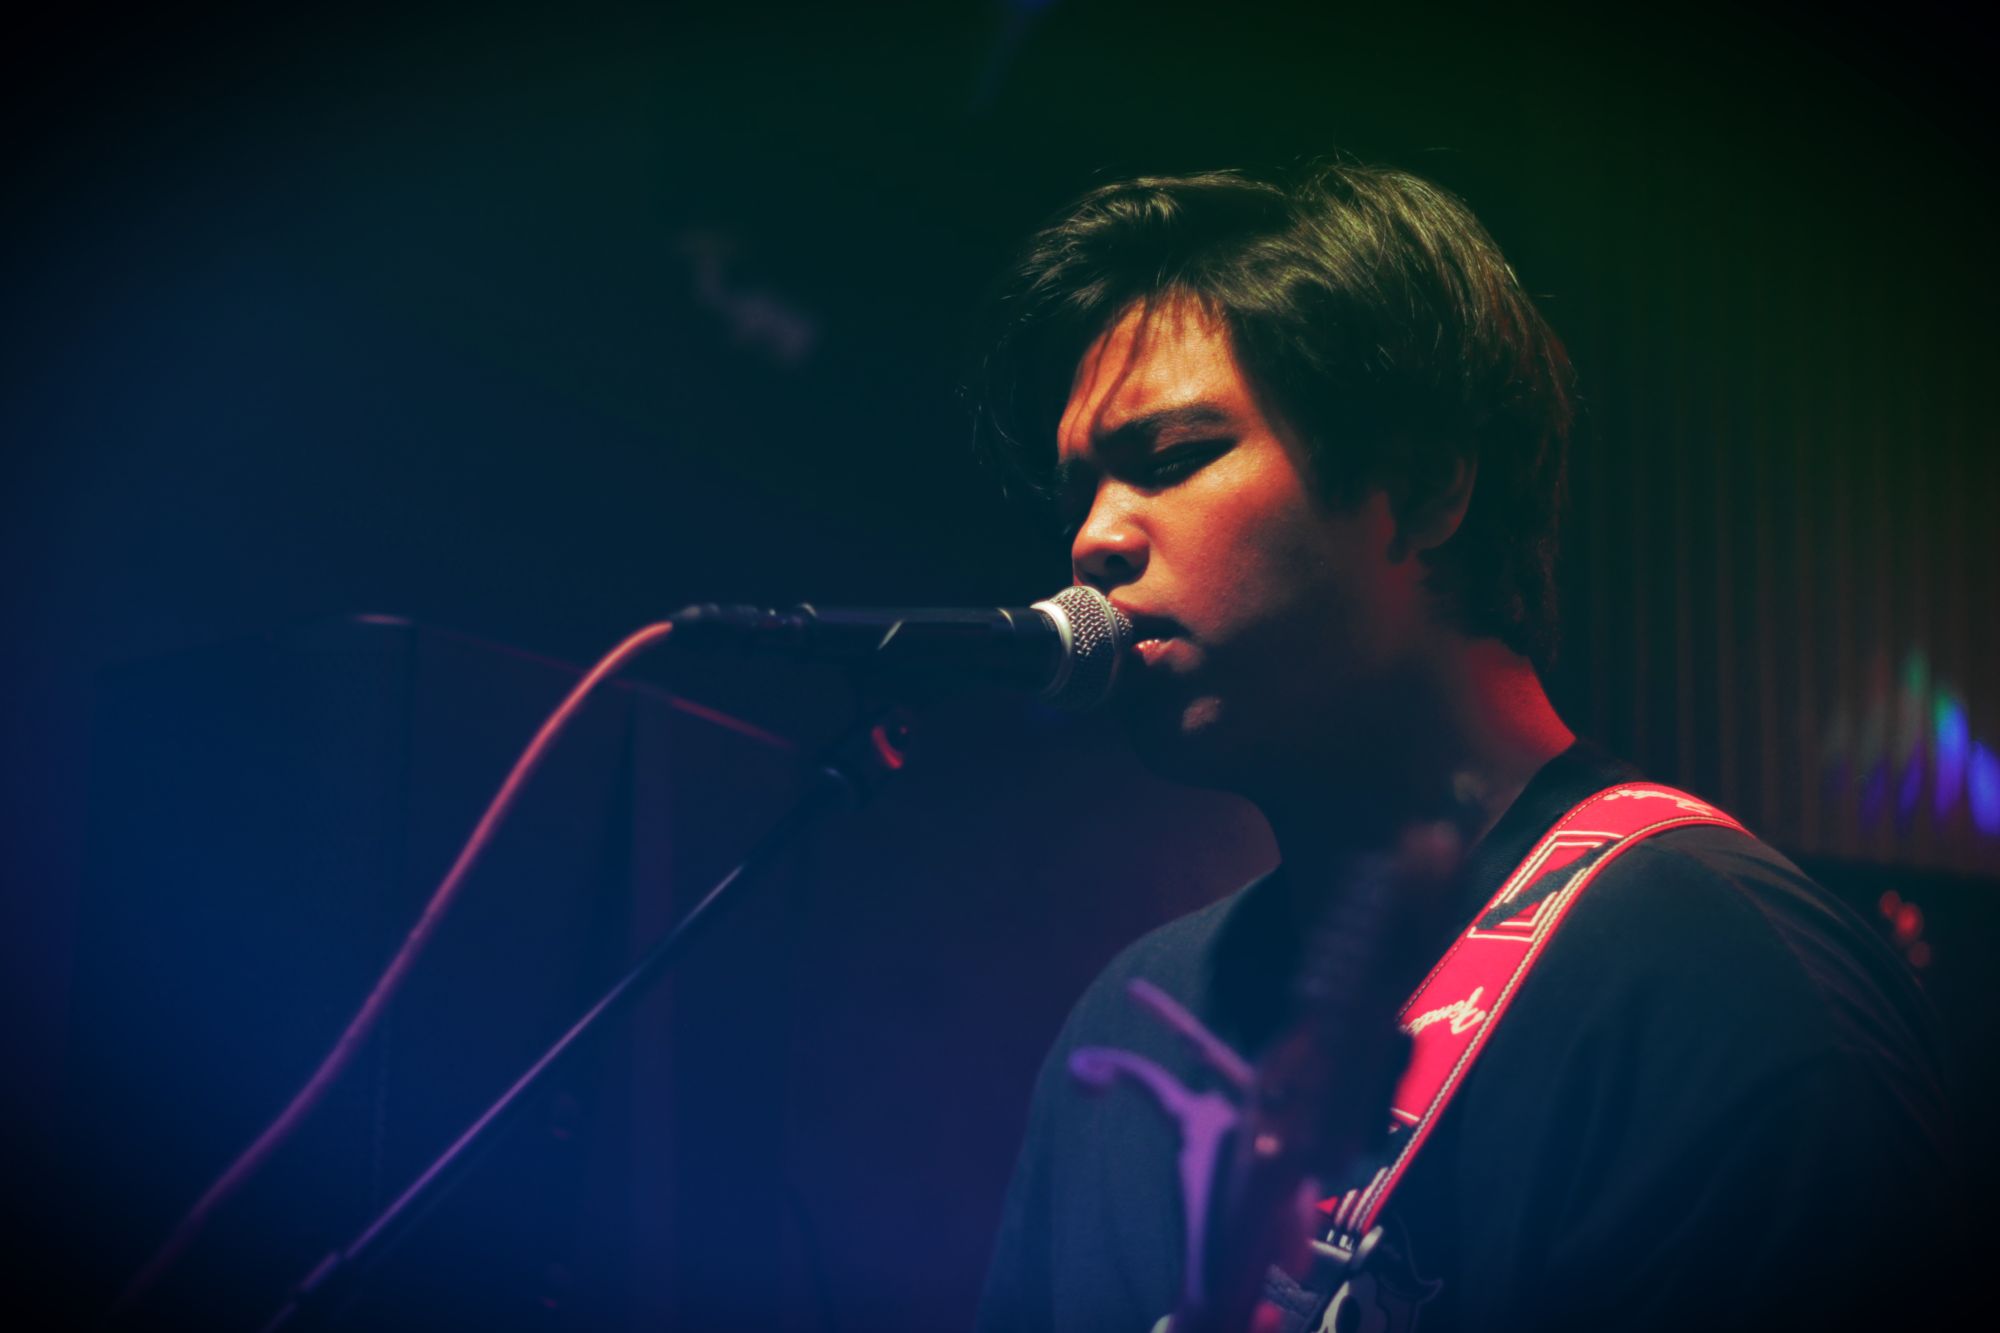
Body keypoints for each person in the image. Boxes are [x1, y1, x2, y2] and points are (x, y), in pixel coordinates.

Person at [968, 163, 1956, 1332]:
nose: (1091, 540)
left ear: (1424, 487)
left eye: (1173, 456)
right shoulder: (1125, 1029)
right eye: (1077, 492)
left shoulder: (1716, 978)